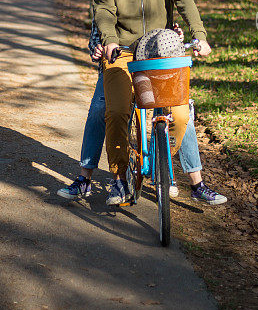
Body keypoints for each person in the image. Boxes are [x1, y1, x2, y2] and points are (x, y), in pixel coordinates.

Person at [92, 0, 226, 206]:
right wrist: (110, 41)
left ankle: (157, 152)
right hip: (123, 51)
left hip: (160, 51)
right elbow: (103, 10)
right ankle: (117, 179)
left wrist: (199, 35)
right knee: (115, 112)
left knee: (179, 116)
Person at [58, 20, 226, 203]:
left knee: (180, 109)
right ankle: (85, 178)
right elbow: (96, 33)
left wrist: (177, 35)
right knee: (100, 109)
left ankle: (193, 182)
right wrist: (97, 49)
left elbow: (172, 23)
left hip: (157, 62)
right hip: (120, 62)